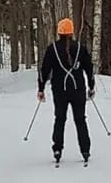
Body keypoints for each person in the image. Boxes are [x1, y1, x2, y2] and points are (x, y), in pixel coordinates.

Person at [38, 18, 95, 164]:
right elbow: (89, 68)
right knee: (80, 119)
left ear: (59, 32)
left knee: (60, 119)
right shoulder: (80, 48)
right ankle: (85, 150)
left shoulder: (52, 49)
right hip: (78, 90)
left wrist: (41, 88)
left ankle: (57, 149)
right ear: (71, 32)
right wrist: (91, 86)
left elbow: (44, 70)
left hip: (59, 90)